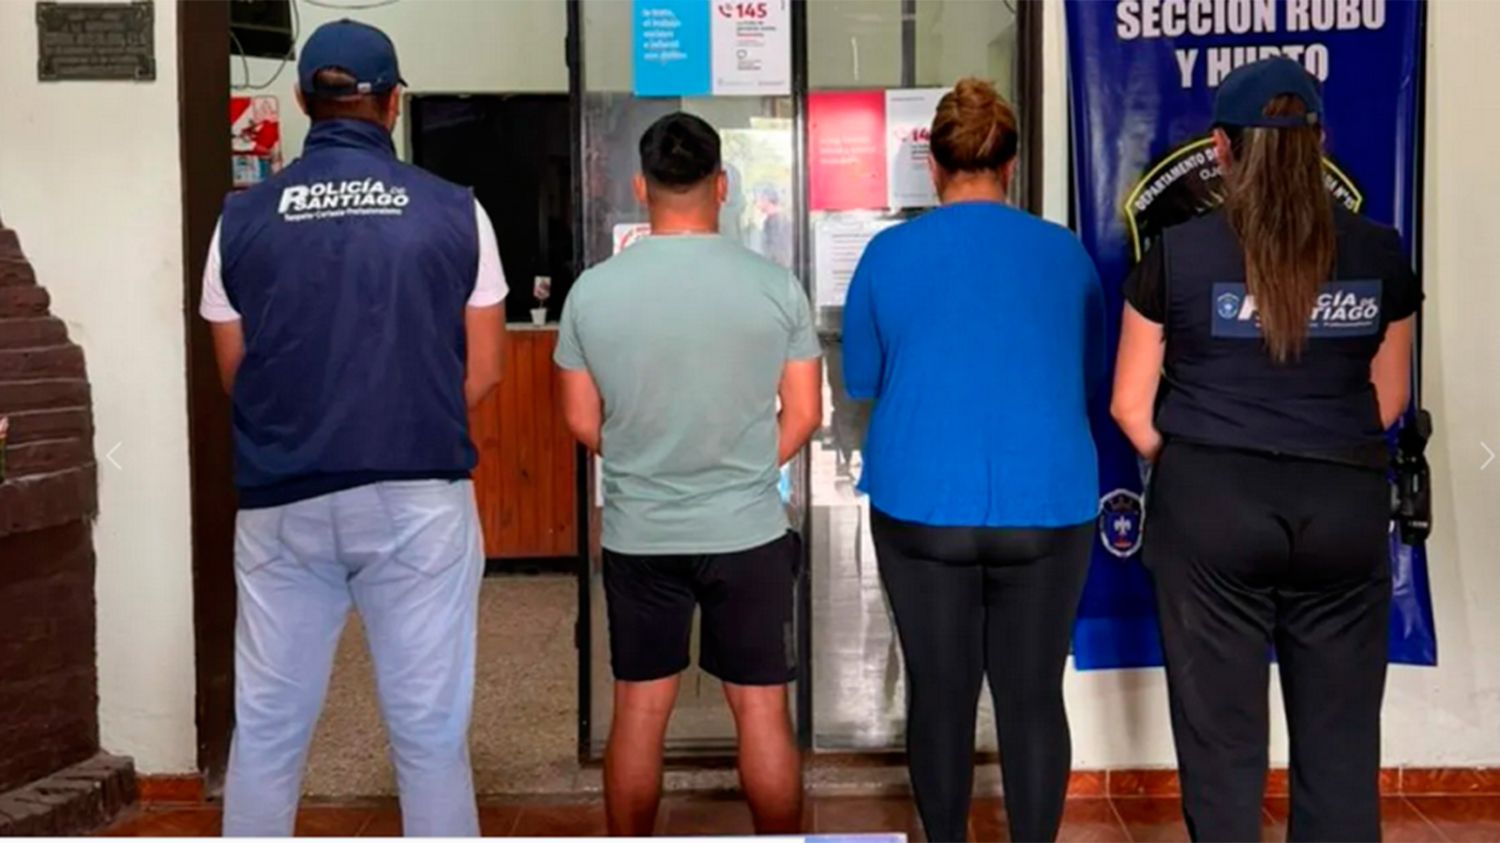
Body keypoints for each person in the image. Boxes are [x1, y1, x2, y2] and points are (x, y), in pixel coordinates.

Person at [200, 19, 505, 837]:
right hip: (418, 497)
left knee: (267, 731)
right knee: (430, 737)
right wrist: (402, 414)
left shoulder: (239, 220)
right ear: (393, 102)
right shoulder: (457, 211)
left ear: (303, 101)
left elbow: (236, 373)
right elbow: (483, 370)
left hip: (281, 501)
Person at [1112, 57, 1418, 842]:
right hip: (1342, 507)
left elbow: (1129, 407)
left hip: (1213, 507)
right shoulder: (1380, 253)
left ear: (1221, 148)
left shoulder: (1177, 254)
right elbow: (1387, 401)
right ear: (1320, 142)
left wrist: (1198, 464)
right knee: (1341, 746)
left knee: (1222, 747)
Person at [842, 78, 1106, 843]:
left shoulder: (886, 255)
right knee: (1033, 698)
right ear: (1010, 166)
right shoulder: (1066, 254)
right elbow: (1088, 374)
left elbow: (864, 377)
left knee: (940, 696)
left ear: (933, 165)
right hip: (1048, 499)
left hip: (921, 499)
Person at [555, 112, 822, 836]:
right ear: (722, 185)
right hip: (748, 532)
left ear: (641, 187)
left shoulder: (592, 293)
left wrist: (645, 459)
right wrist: (740, 469)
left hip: (640, 533)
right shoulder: (775, 286)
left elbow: (580, 418)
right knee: (761, 708)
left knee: (640, 709)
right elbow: (803, 414)